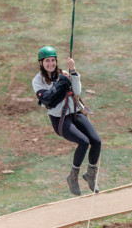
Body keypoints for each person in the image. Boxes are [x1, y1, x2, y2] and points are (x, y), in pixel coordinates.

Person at [32, 46, 101, 196]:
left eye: (53, 60)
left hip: (75, 112)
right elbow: (48, 100)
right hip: (60, 119)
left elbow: (76, 92)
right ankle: (73, 177)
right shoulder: (38, 81)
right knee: (83, 141)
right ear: (41, 63)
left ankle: (90, 174)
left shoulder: (63, 74)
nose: (50, 64)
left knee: (96, 141)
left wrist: (73, 72)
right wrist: (61, 84)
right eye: (47, 61)